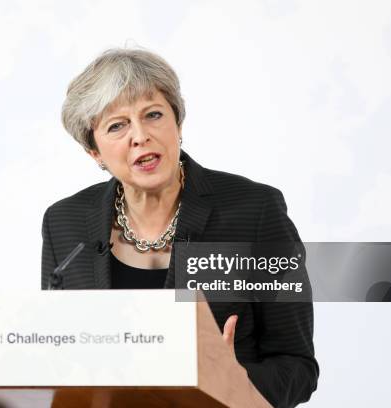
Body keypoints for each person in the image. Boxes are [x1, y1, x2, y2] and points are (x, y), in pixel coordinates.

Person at [41, 48, 319, 407]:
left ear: (179, 124)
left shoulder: (255, 210)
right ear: (94, 152)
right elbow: (55, 358)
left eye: (153, 115)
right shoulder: (64, 223)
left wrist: (230, 382)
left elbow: (297, 365)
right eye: (117, 125)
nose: (140, 136)